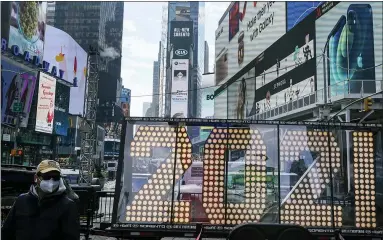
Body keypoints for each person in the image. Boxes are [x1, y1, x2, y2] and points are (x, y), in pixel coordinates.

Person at [1, 160, 80, 240]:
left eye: (55, 177)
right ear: (36, 178)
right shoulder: (22, 201)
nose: (51, 181)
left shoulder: (68, 206)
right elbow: (7, 232)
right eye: (47, 176)